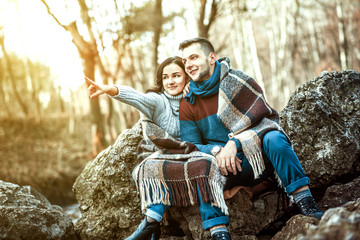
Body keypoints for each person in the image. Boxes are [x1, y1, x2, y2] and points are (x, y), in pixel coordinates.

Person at [178, 37, 324, 240]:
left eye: (193, 57)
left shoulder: (239, 81)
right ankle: (219, 233)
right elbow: (190, 146)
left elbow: (265, 122)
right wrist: (217, 151)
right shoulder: (188, 101)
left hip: (255, 160)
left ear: (212, 58)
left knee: (273, 138)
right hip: (221, 168)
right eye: (185, 61)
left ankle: (306, 203)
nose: (188, 65)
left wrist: (235, 142)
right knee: (200, 166)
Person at [86, 56, 229, 240]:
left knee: (206, 166)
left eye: (176, 76)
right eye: (165, 77)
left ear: (186, 77)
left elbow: (213, 72)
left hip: (194, 153)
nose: (170, 81)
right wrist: (110, 89)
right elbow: (137, 97)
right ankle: (150, 223)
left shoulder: (196, 96)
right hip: (165, 154)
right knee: (159, 168)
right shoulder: (157, 101)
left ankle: (218, 230)